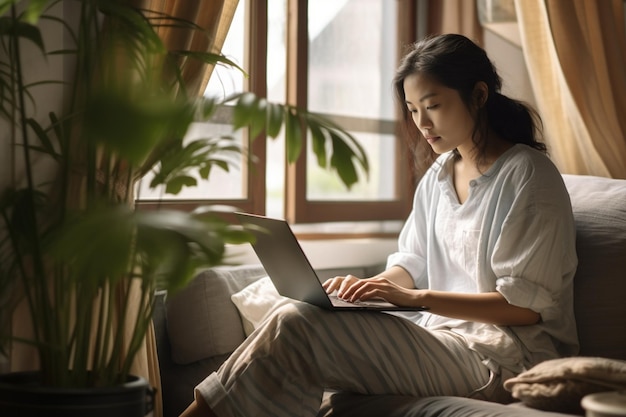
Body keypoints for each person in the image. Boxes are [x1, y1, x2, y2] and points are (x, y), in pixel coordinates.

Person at [180, 33, 578, 417]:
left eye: (433, 105)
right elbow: (412, 262)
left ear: (478, 95)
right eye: (412, 109)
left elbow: (524, 308)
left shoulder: (529, 175)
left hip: (503, 357)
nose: (421, 122)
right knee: (295, 312)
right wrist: (369, 288)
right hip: (439, 335)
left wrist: (416, 298)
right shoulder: (440, 174)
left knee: (296, 326)